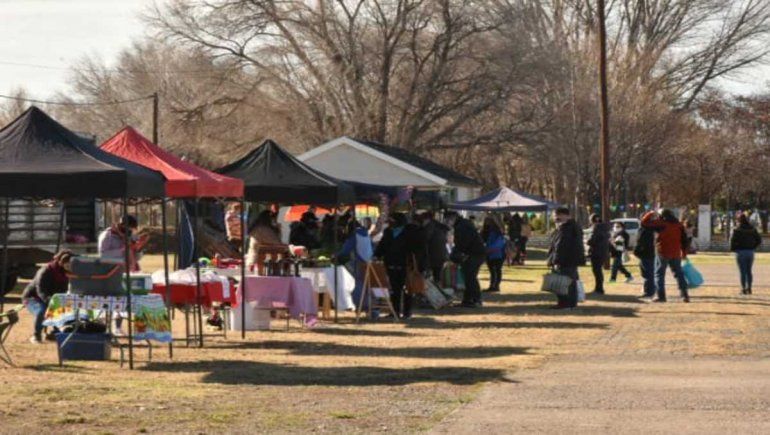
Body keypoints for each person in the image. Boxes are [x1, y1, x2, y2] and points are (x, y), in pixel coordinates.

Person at [374, 213, 423, 319]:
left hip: (406, 266)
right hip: (390, 265)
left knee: (407, 290)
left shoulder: (411, 232)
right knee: (394, 290)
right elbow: (382, 246)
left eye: (392, 220)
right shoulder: (388, 232)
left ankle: (407, 313)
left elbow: (417, 249)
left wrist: (417, 264)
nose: (390, 223)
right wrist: (376, 255)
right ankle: (394, 311)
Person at [21, 250, 74, 343]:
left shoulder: (66, 273)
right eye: (67, 264)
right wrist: (51, 302)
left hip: (52, 298)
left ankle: (55, 333)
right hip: (33, 298)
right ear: (60, 261)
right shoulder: (46, 270)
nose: (69, 266)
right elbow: (41, 291)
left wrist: (61, 302)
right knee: (42, 311)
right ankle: (36, 336)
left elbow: (64, 291)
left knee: (64, 310)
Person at [641, 209, 690, 303]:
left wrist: (650, 213)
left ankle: (661, 296)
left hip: (662, 252)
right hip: (676, 253)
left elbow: (644, 223)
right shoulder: (679, 225)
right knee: (679, 274)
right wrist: (684, 253)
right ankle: (685, 295)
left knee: (659, 274)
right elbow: (684, 241)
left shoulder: (661, 224)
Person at [445, 211, 486, 308]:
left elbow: (462, 243)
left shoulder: (462, 226)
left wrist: (454, 255)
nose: (448, 222)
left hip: (475, 254)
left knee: (470, 277)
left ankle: (476, 299)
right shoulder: (463, 224)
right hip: (475, 253)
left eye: (448, 219)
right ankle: (468, 300)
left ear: (454, 217)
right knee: (468, 276)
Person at [547, 207, 585, 309]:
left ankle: (565, 304)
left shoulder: (566, 228)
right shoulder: (569, 227)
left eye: (558, 216)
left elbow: (561, 246)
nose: (555, 218)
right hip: (570, 260)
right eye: (554, 216)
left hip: (565, 260)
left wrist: (556, 261)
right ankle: (570, 304)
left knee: (563, 283)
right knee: (569, 283)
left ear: (566, 216)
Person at [337, 220, 375, 308]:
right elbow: (372, 247)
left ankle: (359, 303)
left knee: (357, 282)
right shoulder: (366, 234)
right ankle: (369, 304)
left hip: (359, 262)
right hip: (369, 262)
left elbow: (345, 251)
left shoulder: (354, 236)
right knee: (367, 284)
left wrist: (336, 256)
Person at [730, 214, 762, 295]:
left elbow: (733, 241)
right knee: (749, 271)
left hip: (740, 252)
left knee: (742, 271)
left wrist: (734, 249)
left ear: (739, 220)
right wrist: (753, 247)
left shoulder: (737, 230)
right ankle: (749, 288)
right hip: (750, 252)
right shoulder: (753, 229)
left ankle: (743, 288)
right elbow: (759, 240)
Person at [421, 211, 449, 282]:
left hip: (432, 255)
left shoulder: (430, 226)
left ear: (427, 219)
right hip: (441, 254)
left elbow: (425, 238)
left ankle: (431, 290)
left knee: (428, 277)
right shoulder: (440, 226)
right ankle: (436, 288)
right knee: (437, 276)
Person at [481, 216, 506, 293]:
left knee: (496, 270)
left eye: (488, 221)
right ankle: (493, 286)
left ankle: (495, 286)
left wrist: (488, 249)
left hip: (497, 254)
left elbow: (499, 243)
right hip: (490, 254)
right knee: (493, 271)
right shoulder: (485, 231)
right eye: (486, 221)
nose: (487, 223)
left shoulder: (498, 232)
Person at [586, 214, 610, 294]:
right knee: (598, 271)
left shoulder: (597, 228)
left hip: (596, 252)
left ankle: (599, 289)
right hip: (603, 252)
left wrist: (588, 242)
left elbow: (593, 240)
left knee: (597, 271)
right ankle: (599, 288)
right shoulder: (605, 229)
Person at [634, 216, 657, 299]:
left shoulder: (646, 231)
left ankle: (649, 291)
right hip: (646, 254)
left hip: (646, 254)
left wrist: (637, 250)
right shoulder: (648, 230)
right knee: (646, 273)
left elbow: (641, 243)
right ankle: (650, 289)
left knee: (648, 273)